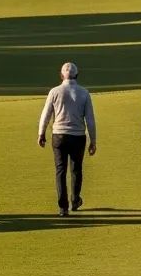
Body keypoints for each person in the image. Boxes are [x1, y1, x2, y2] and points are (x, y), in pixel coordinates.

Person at [38, 62, 97, 217]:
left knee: (60, 171)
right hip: (78, 136)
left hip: (59, 136)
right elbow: (90, 119)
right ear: (77, 75)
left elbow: (46, 114)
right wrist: (93, 141)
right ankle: (75, 199)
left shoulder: (54, 92)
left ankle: (63, 207)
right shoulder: (84, 93)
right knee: (76, 169)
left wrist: (41, 133)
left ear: (61, 75)